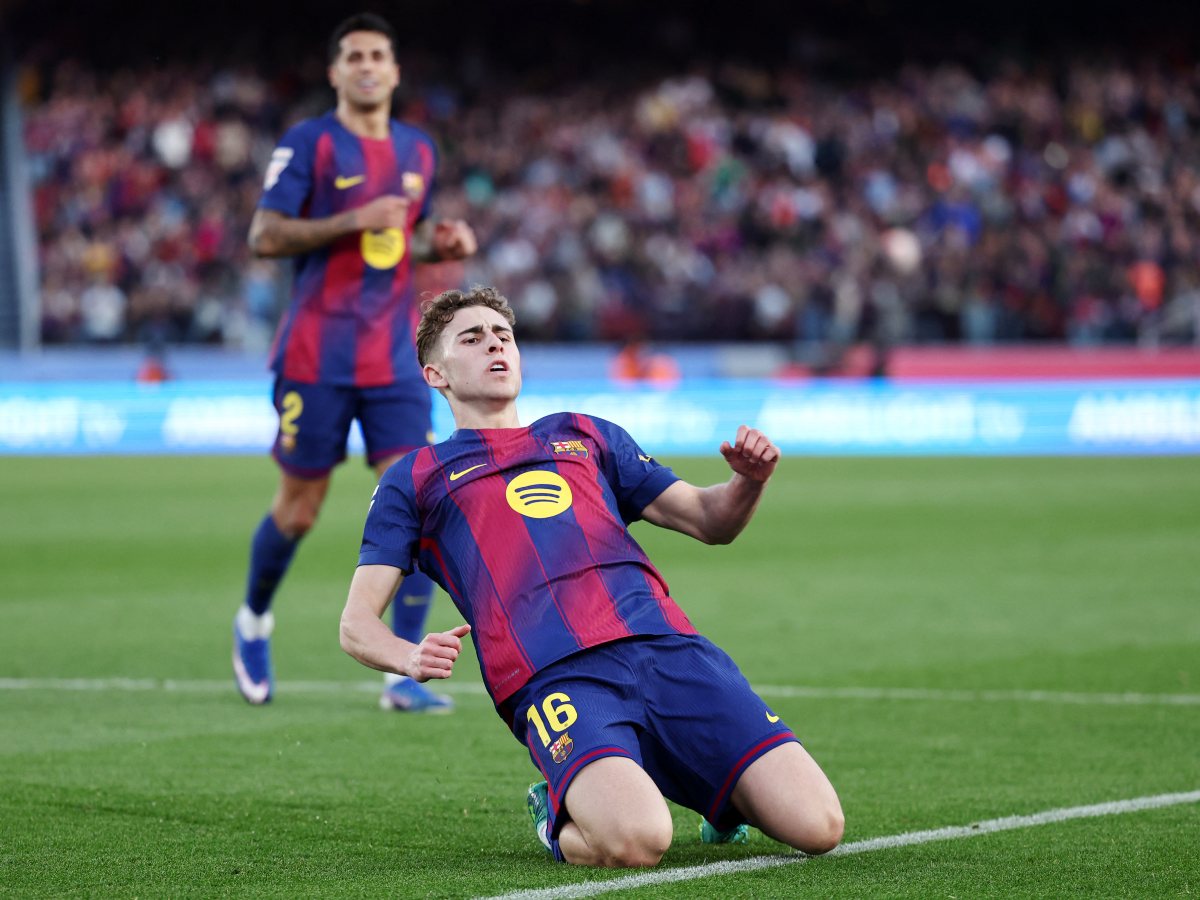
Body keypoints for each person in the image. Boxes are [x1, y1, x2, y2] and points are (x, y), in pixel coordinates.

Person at [339, 286, 844, 866]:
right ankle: (556, 814)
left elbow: (710, 521)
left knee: (820, 826)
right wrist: (406, 658)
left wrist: (748, 482)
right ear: (436, 374)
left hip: (668, 649)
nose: (494, 346)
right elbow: (355, 623)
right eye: (472, 339)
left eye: (503, 336)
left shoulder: (585, 434)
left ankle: (720, 804)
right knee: (637, 841)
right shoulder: (417, 477)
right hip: (557, 678)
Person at [232, 12, 477, 712]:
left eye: (379, 55)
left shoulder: (419, 150)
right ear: (336, 72)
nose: (368, 65)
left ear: (395, 72)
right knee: (300, 509)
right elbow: (264, 234)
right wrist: (350, 218)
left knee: (421, 501)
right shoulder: (309, 143)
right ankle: (253, 620)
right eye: (354, 56)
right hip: (316, 353)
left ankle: (402, 673)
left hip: (395, 357)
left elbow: (403, 238)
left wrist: (440, 238)